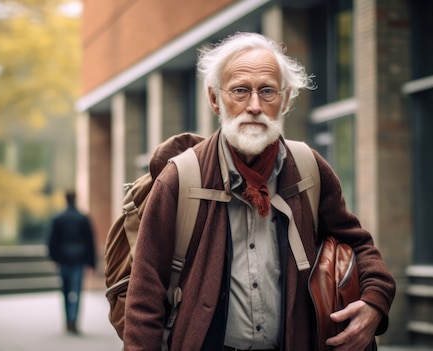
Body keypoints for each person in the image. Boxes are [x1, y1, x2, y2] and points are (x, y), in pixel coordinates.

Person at [123, 32, 396, 350]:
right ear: (214, 99)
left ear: (286, 98)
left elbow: (359, 245)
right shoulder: (180, 178)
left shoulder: (309, 167)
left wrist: (375, 302)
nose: (254, 106)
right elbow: (144, 297)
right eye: (240, 90)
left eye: (267, 91)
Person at [47, 190, 97, 335]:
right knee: (76, 292)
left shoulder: (58, 218)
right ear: (75, 199)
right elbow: (90, 242)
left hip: (63, 260)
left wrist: (54, 258)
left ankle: (68, 320)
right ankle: (73, 320)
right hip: (79, 261)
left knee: (65, 292)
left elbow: (52, 241)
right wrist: (91, 263)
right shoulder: (82, 218)